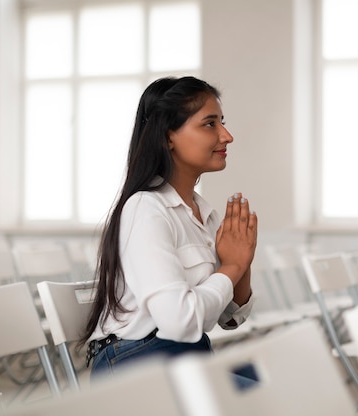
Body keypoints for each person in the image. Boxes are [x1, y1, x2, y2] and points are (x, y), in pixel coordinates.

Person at [79, 76, 258, 385]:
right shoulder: (144, 209)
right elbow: (179, 321)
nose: (227, 136)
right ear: (168, 136)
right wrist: (234, 265)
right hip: (134, 362)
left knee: (286, 380)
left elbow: (230, 317)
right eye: (209, 124)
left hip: (189, 356)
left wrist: (244, 259)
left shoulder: (205, 214)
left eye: (222, 123)